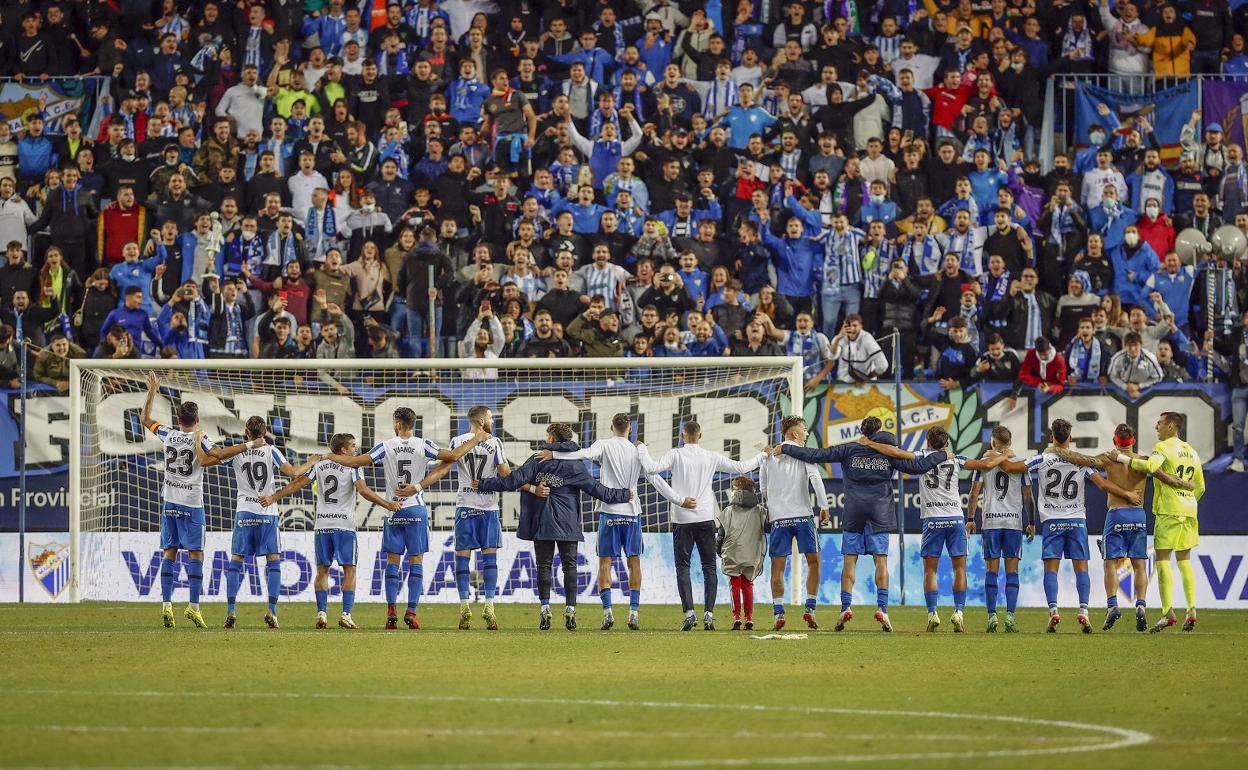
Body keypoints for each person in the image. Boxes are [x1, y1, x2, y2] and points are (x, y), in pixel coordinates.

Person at [773, 416, 949, 632]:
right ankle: (882, 609)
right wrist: (942, 455)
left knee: (850, 561)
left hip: (854, 510)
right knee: (881, 561)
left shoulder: (849, 449)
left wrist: (784, 448)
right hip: (880, 511)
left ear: (863, 433)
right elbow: (918, 467)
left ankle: (845, 607)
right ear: (879, 431)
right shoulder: (888, 452)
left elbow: (815, 454)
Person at [323, 407, 489, 630]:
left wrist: (327, 456)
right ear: (413, 424)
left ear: (398, 424)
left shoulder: (386, 446)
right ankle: (411, 612)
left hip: (394, 510)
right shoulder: (424, 444)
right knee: (416, 562)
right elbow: (452, 456)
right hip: (416, 509)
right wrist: (476, 439)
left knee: (393, 562)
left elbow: (355, 462)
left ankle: (391, 611)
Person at [477, 422, 631, 631]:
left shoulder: (539, 458)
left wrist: (485, 484)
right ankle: (570, 610)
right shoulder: (576, 464)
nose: (546, 439)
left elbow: (512, 481)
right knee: (570, 566)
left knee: (543, 566)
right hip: (568, 523)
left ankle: (545, 609)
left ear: (553, 438)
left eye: (548, 435)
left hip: (543, 521)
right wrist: (625, 494)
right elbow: (598, 490)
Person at [997, 419, 1141, 634]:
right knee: (1081, 568)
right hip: (1077, 521)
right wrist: (1128, 493)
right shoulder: (1081, 462)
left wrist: (1000, 454)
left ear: (1051, 437)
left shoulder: (1042, 459)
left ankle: (1054, 611)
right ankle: (1084, 610)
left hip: (1053, 522)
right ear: (1070, 439)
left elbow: (1010, 467)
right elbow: (1102, 484)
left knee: (1051, 570)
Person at [859, 426, 1004, 633]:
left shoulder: (922, 456)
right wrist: (1005, 454)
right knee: (960, 569)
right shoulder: (956, 458)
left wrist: (870, 443)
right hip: (955, 518)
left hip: (932, 520)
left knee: (930, 570)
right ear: (946, 444)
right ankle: (958, 612)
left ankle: (933, 613)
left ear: (927, 442)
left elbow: (896, 453)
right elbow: (986, 464)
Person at [1050, 423, 1189, 633]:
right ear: (1133, 441)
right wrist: (1187, 485)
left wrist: (1057, 449)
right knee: (1139, 565)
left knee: (1111, 564)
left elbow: (1082, 460)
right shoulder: (1143, 461)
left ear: (1115, 440)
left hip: (1116, 514)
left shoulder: (1108, 458)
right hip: (1138, 515)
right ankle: (1141, 606)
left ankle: (1113, 604)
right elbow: (1168, 478)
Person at [639, 420, 768, 631]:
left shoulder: (675, 455)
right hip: (706, 519)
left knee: (683, 567)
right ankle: (708, 614)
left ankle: (690, 614)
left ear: (682, 435)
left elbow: (651, 470)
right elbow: (741, 467)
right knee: (709, 568)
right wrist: (763, 455)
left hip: (682, 519)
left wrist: (641, 449)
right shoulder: (710, 456)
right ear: (700, 435)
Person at [261, 432, 399, 630]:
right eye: (352, 446)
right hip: (344, 526)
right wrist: (387, 504)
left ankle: (322, 613)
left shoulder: (319, 464)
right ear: (343, 449)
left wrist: (274, 497)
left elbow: (297, 483)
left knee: (322, 570)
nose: (355, 449)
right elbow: (363, 491)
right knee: (350, 569)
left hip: (322, 526)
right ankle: (346, 614)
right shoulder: (353, 465)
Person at [540, 413, 661, 631]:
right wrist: (678, 500)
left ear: (611, 426)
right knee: (634, 563)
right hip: (632, 513)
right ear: (630, 429)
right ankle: (633, 613)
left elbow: (582, 454)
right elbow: (654, 476)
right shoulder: (638, 450)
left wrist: (554, 454)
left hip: (609, 512)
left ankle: (607, 613)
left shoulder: (604, 445)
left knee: (606, 563)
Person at [140, 373, 228, 629]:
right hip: (191, 504)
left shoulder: (168, 434)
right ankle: (194, 606)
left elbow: (145, 419)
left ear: (178, 420)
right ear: (197, 420)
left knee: (170, 551)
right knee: (196, 553)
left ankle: (166, 604)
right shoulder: (202, 438)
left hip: (169, 502)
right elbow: (215, 456)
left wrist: (153, 392)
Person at [198, 416, 301, 629]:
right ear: (265, 432)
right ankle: (272, 611)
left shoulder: (237, 451)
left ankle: (231, 611)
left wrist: (198, 442)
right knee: (273, 561)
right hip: (267, 512)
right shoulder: (271, 450)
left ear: (247, 432)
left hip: (244, 512)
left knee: (236, 561)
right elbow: (292, 473)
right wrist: (312, 461)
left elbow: (207, 461)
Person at [1122, 412, 1206, 633]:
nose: (1156, 426)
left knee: (1163, 561)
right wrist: (1187, 501)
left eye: (1159, 423)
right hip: (1189, 510)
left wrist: (1123, 459)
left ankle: (1168, 611)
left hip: (1169, 511)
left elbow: (1150, 467)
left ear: (1170, 426)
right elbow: (1201, 487)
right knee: (1185, 560)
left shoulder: (1163, 448)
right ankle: (1191, 610)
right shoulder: (1192, 452)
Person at [760, 416, 829, 631]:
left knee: (778, 569)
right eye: (805, 430)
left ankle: (778, 612)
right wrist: (824, 506)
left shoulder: (768, 456)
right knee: (815, 562)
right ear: (795, 434)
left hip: (779, 518)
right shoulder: (805, 455)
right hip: (802, 516)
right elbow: (816, 480)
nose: (807, 434)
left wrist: (774, 505)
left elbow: (763, 488)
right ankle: (810, 608)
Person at [448, 406, 512, 630]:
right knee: (490, 559)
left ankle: (465, 604)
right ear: (483, 421)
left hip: (465, 505)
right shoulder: (495, 443)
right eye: (491, 418)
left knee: (462, 557)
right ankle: (489, 605)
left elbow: (445, 465)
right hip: (489, 508)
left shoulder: (457, 441)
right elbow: (505, 474)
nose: (493, 421)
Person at [966, 426, 1035, 634]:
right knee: (1012, 570)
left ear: (993, 443)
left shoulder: (984, 464)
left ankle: (992, 616)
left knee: (991, 571)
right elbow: (1028, 495)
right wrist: (1031, 522)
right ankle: (1010, 618)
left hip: (991, 523)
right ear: (1010, 443)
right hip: (1013, 523)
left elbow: (973, 493)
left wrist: (970, 518)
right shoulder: (1020, 464)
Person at [717, 476, 767, 632]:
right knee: (748, 585)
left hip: (733, 552)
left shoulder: (729, 511)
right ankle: (749, 618)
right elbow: (768, 528)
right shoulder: (760, 511)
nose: (732, 491)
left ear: (738, 491)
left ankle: (736, 617)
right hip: (752, 553)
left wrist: (718, 549)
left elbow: (721, 533)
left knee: (735, 584)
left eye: (734, 488)